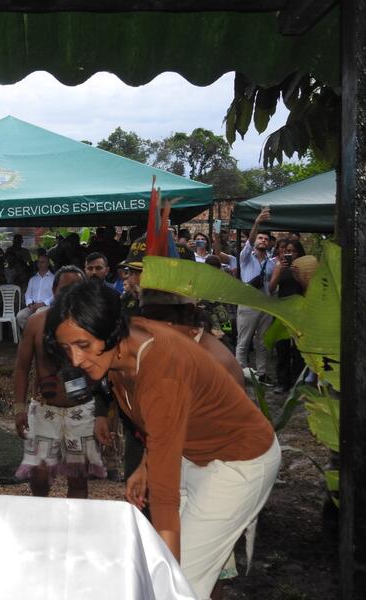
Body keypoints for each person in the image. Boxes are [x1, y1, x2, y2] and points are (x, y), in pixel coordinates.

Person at [45, 281, 280, 600]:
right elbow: (160, 425)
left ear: (111, 331)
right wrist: (145, 464)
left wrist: (170, 584)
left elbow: (165, 502)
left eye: (83, 345)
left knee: (180, 582)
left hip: (239, 462)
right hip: (191, 450)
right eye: (67, 348)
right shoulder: (125, 343)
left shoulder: (162, 374)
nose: (75, 359)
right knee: (167, 563)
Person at [13, 266, 105, 498]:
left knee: (78, 480)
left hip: (81, 411)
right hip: (44, 411)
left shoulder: (93, 323)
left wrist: (105, 414)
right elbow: (22, 367)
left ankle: (73, 530)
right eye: (65, 288)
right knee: (40, 478)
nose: (71, 294)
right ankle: (42, 527)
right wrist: (19, 408)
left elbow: (105, 371)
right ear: (54, 291)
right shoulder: (36, 322)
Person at [236, 207, 276, 382]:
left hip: (265, 305)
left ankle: (261, 374)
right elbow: (249, 242)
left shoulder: (271, 263)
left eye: (266, 239)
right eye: (260, 238)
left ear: (269, 243)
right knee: (243, 341)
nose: (263, 241)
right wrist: (257, 223)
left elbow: (273, 287)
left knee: (262, 343)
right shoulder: (246, 257)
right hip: (248, 304)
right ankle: (239, 373)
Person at [268, 239, 308, 393]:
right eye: (286, 251)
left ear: (299, 252)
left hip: (299, 311)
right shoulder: (279, 267)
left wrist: (298, 277)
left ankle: (298, 382)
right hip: (282, 310)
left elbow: (309, 291)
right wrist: (279, 272)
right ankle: (282, 382)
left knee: (298, 349)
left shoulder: (302, 267)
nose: (289, 253)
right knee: (282, 347)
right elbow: (271, 288)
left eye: (293, 251)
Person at [15, 254, 55, 331]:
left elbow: (55, 295)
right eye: (39, 262)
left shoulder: (53, 278)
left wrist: (43, 304)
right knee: (20, 316)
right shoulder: (33, 279)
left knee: (38, 313)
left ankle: (39, 338)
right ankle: (31, 336)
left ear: (48, 263)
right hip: (33, 306)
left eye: (43, 262)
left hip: (47, 306)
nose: (40, 264)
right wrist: (30, 304)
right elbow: (28, 294)